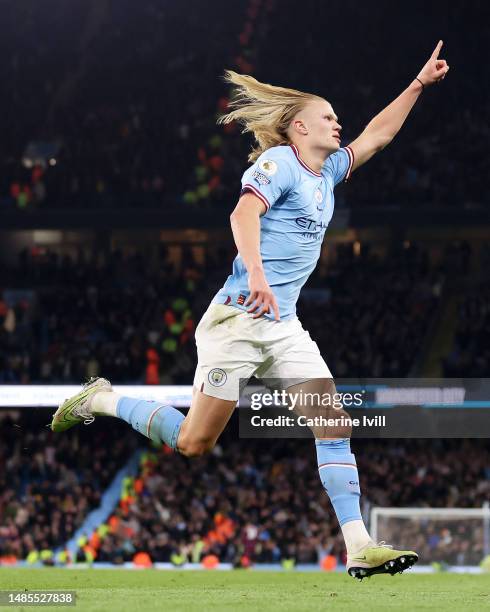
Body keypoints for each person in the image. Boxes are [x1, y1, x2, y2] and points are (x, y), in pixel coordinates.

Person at [51, 41, 449, 579]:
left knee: (333, 423)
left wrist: (419, 85)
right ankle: (104, 398)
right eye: (327, 117)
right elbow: (242, 215)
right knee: (194, 443)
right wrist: (257, 274)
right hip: (237, 321)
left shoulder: (326, 173)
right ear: (298, 129)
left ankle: (357, 545)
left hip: (284, 326)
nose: (338, 124)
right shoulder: (279, 162)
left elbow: (377, 134)